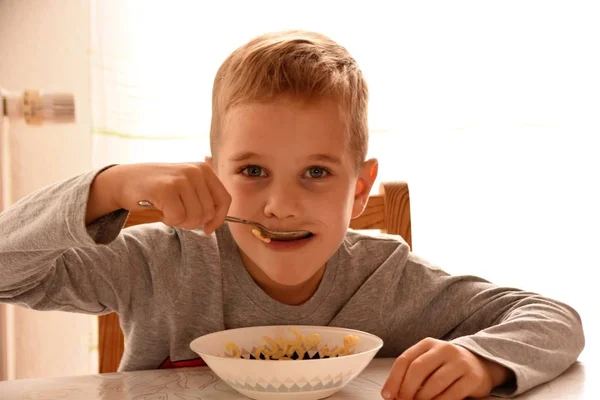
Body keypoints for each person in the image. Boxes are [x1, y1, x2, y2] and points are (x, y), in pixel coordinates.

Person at [0, 30, 584, 400]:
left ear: (360, 191)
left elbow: (554, 318)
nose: (280, 206)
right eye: (253, 171)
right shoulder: (162, 261)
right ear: (215, 173)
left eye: (317, 173)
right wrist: (111, 186)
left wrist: (482, 362)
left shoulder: (390, 280)